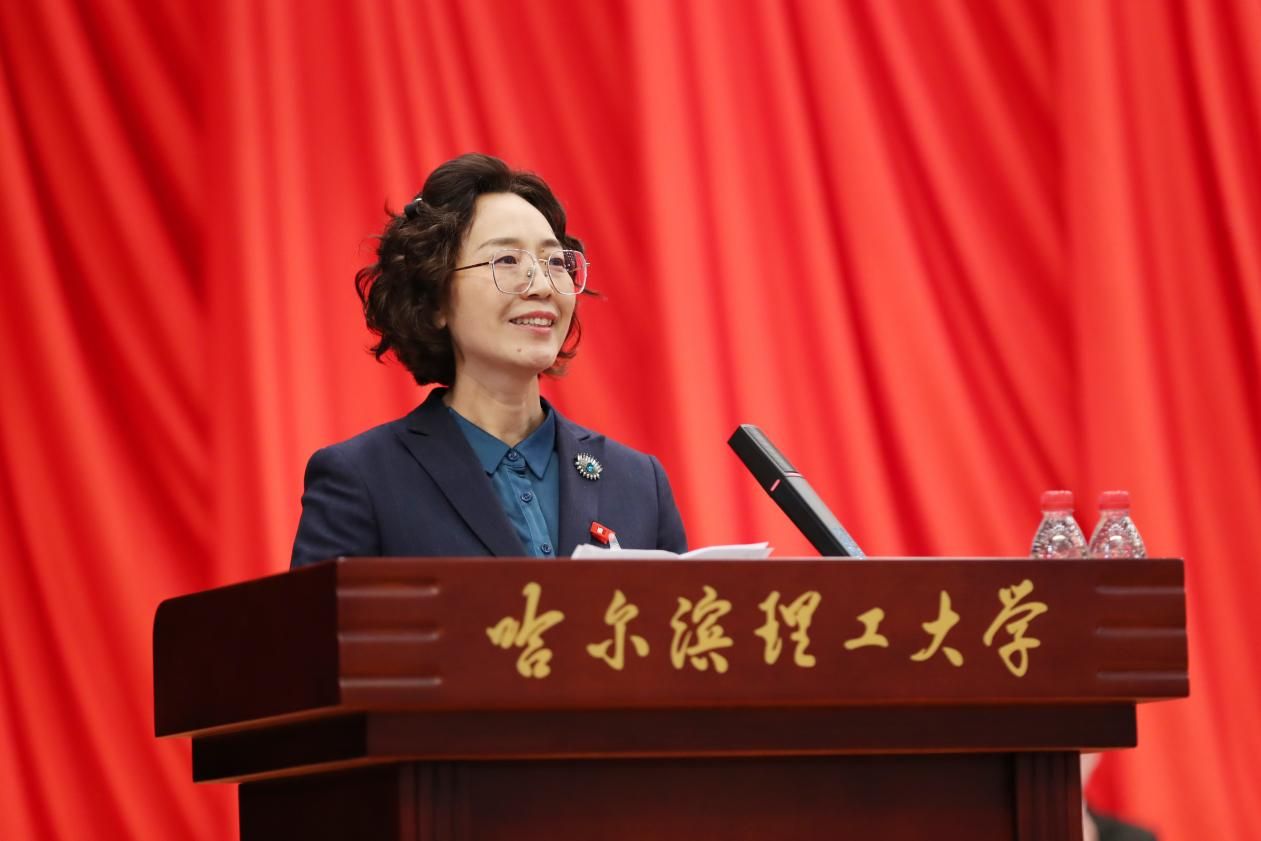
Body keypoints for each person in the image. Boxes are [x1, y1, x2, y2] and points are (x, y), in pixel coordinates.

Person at [290, 153, 687, 567]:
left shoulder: (639, 483)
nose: (541, 285)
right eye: (507, 261)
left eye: (555, 262)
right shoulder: (364, 479)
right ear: (435, 300)